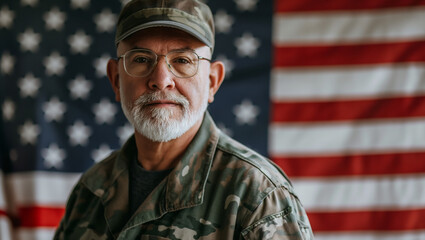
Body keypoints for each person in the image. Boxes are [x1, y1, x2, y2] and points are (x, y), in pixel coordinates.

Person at [54, 0, 314, 239]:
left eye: (182, 60)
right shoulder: (89, 192)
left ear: (212, 81)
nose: (161, 79)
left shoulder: (259, 196)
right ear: (116, 80)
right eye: (141, 59)